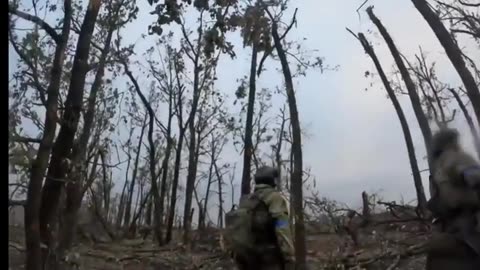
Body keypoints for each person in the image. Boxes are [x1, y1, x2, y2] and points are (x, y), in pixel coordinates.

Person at [426, 128, 480, 269]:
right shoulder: (441, 164)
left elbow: (474, 176)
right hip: (452, 225)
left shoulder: (453, 157)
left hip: (468, 222)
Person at [225, 166, 295, 270]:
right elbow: (282, 226)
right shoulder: (274, 197)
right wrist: (289, 256)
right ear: (273, 180)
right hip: (269, 259)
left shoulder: (246, 200)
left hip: (248, 258)